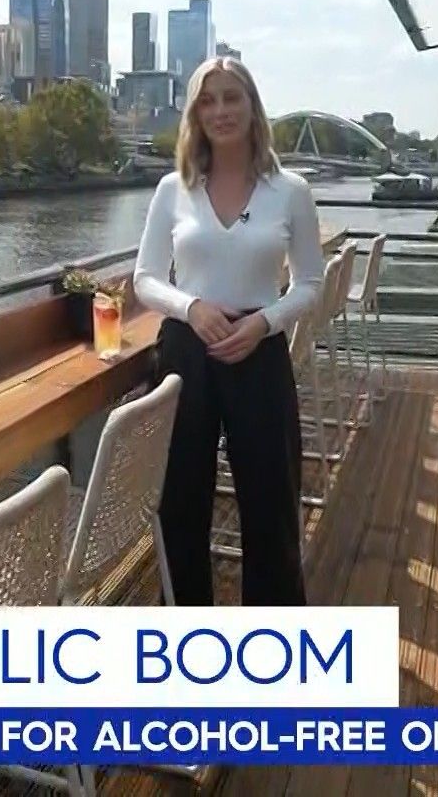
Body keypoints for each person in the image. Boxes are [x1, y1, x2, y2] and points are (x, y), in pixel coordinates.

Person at [133, 56, 324, 606]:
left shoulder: (290, 190)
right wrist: (190, 307)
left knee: (272, 506)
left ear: (252, 106)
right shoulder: (173, 188)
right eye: (208, 100)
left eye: (231, 97)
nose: (221, 110)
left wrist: (265, 321)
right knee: (180, 504)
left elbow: (310, 282)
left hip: (259, 350)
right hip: (187, 352)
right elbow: (145, 278)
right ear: (195, 114)